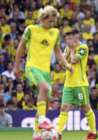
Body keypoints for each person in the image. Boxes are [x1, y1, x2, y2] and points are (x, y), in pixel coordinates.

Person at [13, 5, 71, 140]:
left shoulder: (55, 32)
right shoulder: (31, 30)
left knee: (45, 101)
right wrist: (16, 67)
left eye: (54, 21)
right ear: (43, 19)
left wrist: (66, 64)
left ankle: (37, 133)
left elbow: (57, 52)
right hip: (32, 67)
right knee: (44, 88)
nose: (52, 23)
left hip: (46, 71)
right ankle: (43, 120)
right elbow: (21, 49)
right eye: (50, 21)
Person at [56, 30, 97, 140]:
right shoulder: (67, 49)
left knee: (85, 107)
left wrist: (72, 50)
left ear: (76, 37)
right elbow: (61, 63)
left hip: (80, 84)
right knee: (64, 108)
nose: (68, 41)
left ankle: (93, 132)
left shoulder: (83, 48)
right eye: (67, 39)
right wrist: (66, 54)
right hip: (68, 84)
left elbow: (74, 60)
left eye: (70, 38)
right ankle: (58, 133)